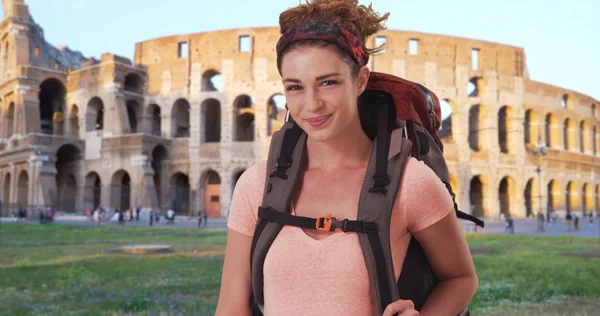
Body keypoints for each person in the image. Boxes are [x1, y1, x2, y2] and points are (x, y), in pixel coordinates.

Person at [216, 1, 478, 315]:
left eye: (328, 82)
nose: (311, 105)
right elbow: (231, 307)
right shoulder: (256, 184)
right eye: (295, 87)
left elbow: (461, 278)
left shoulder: (411, 182)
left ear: (360, 81)